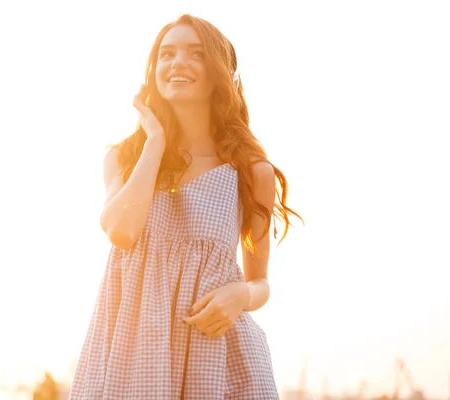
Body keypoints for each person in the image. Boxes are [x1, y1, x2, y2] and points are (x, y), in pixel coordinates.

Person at [69, 13, 301, 399]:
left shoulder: (249, 171)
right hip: (132, 353)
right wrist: (155, 142)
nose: (177, 63)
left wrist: (241, 295)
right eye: (167, 54)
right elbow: (121, 232)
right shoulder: (124, 160)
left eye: (196, 54)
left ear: (218, 74)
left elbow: (260, 282)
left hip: (216, 351)